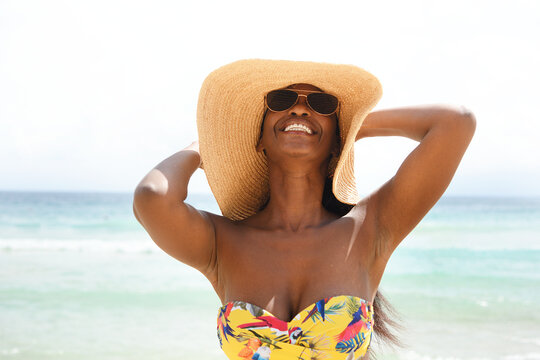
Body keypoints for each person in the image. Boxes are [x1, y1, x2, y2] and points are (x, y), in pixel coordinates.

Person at [132, 59, 476, 360]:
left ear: (337, 137)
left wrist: (351, 126)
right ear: (259, 137)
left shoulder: (371, 228)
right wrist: (199, 148)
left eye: (321, 104)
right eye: (282, 101)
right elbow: (152, 197)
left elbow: (455, 122)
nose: (299, 109)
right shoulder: (221, 242)